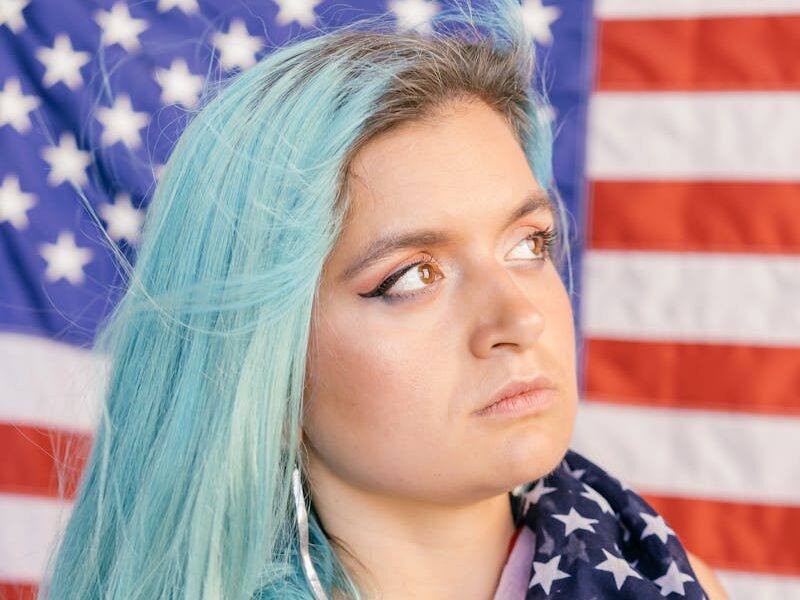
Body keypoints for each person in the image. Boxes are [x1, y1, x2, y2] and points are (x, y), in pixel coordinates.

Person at [37, 0, 728, 598]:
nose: (520, 318)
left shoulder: (671, 581)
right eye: (412, 277)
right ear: (260, 362)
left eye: (529, 244)